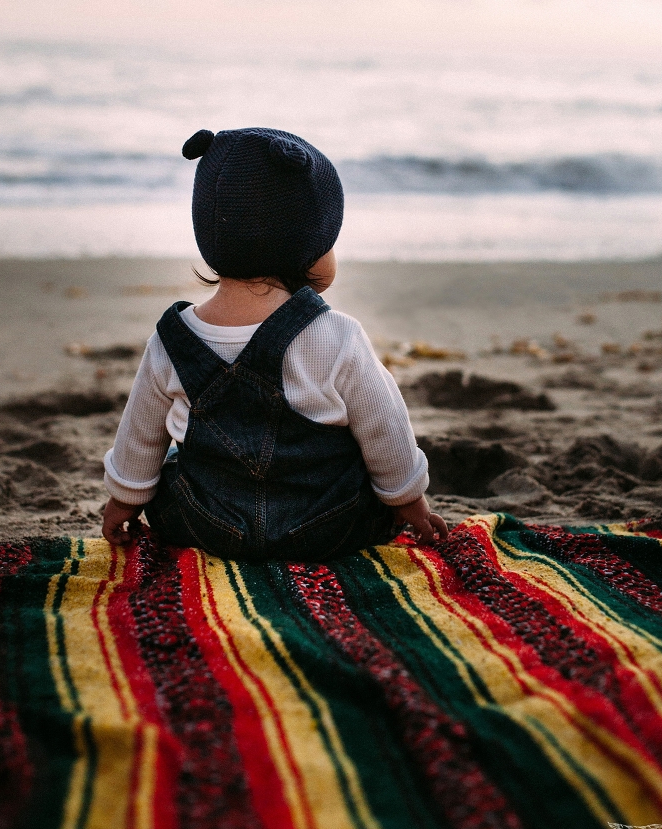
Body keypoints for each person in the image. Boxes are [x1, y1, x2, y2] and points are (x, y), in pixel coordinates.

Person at [101, 126, 447, 560]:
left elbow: (140, 435)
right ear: (305, 249)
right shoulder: (337, 336)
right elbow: (385, 429)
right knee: (367, 483)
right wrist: (407, 501)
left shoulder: (171, 340)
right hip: (328, 527)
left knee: (169, 469)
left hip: (210, 525)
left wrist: (125, 500)